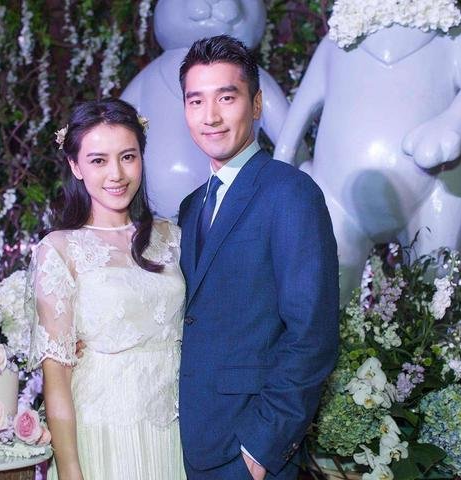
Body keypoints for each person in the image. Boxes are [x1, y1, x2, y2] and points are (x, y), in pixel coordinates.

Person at [177, 35, 339, 480]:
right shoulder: (191, 206)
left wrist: (262, 447)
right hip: (188, 439)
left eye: (226, 98)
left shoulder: (290, 192)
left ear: (257, 104)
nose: (210, 116)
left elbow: (313, 332)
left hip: (249, 448)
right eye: (196, 101)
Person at [27, 98, 186, 480]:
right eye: (98, 160)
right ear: (75, 166)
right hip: (103, 432)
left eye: (127, 157)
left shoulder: (172, 237)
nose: (116, 174)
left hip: (176, 427)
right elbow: (56, 375)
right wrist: (70, 469)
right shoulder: (59, 249)